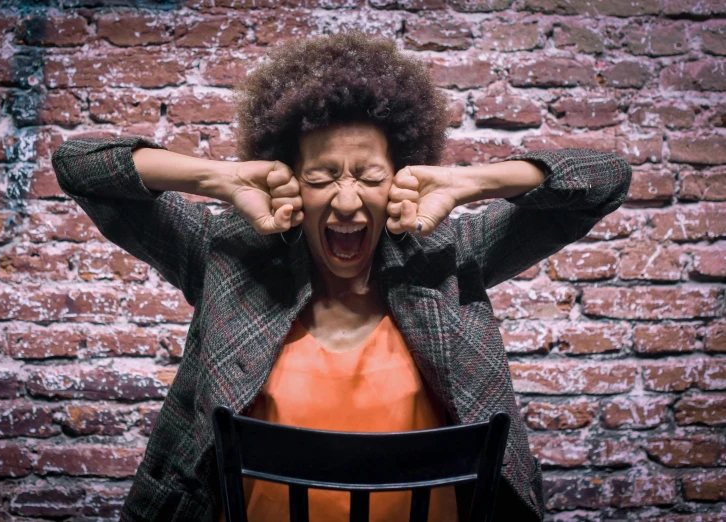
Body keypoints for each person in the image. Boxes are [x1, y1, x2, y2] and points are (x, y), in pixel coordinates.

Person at [52, 32, 632, 522]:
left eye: (369, 175)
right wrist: (219, 179)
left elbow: (605, 179)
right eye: (323, 175)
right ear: (290, 181)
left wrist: (468, 183)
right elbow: (80, 166)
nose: (349, 201)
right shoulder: (229, 258)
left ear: (399, 179)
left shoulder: (449, 258)